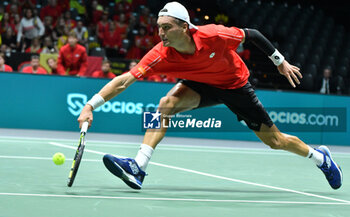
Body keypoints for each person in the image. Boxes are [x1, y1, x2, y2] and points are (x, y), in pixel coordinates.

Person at [77, 2, 342, 190]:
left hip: (234, 86)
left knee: (275, 141)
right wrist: (91, 105)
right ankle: (138, 167)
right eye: (159, 27)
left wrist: (279, 62)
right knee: (165, 105)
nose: (161, 33)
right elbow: (124, 81)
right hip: (199, 84)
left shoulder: (213, 35)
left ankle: (320, 158)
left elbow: (253, 35)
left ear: (184, 27)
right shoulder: (161, 53)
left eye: (167, 27)